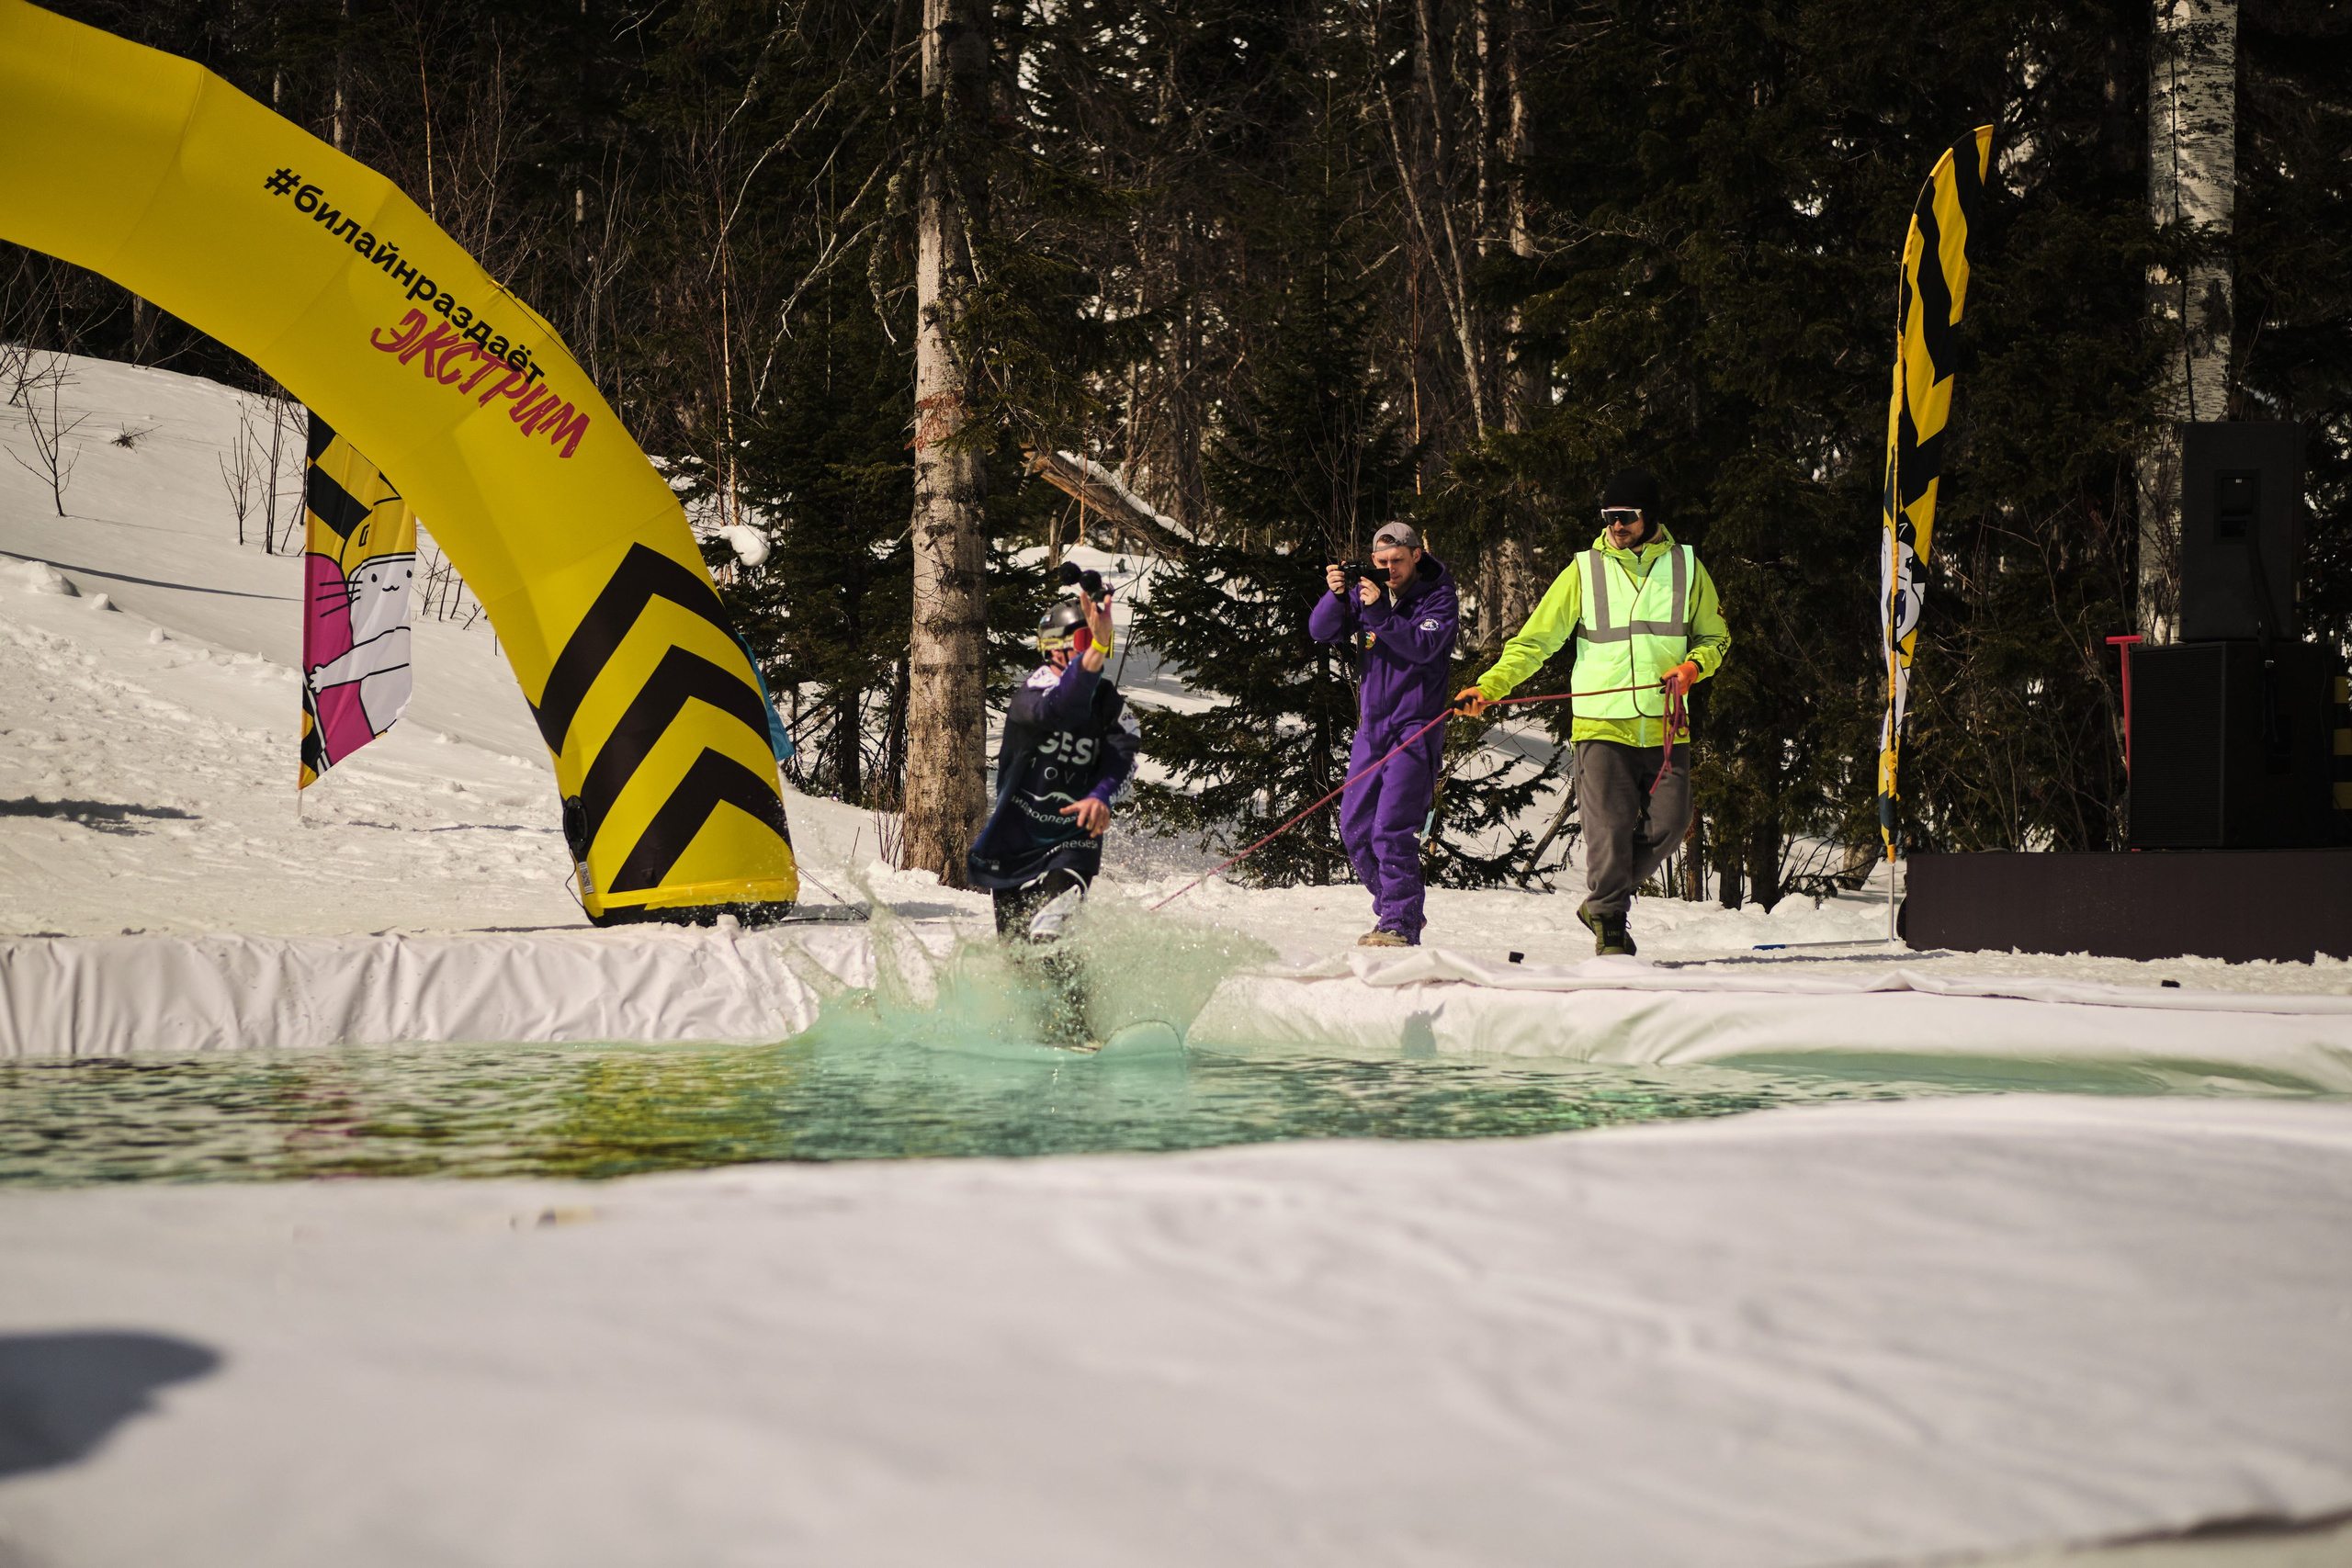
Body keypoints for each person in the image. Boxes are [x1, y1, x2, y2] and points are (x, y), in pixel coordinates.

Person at [1456, 468, 1729, 957]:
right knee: (1607, 830)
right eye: (1608, 517)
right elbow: (1536, 641)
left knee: (1670, 824)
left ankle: (1604, 899)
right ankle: (1608, 923)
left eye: (1625, 516)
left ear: (1650, 517)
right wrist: (1491, 686)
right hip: (1601, 723)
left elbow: (1715, 638)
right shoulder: (1584, 569)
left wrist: (1692, 668)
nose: (1616, 525)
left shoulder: (1687, 567)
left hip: (1667, 724)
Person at [967, 586, 1142, 1034]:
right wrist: (1095, 652)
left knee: (1050, 932)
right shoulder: (1030, 694)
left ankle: (1080, 1030)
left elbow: (1123, 759)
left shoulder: (1112, 706)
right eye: (1083, 646)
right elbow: (1061, 710)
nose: (1093, 656)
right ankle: (1042, 1029)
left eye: (1096, 645)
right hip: (1016, 843)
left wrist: (1101, 795)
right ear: (1056, 651)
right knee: (1022, 961)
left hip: (1072, 841)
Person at [1309, 521, 1460, 947]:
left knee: (1391, 827)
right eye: (1382, 562)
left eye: (1397, 560)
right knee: (1353, 826)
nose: (1390, 569)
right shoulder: (1368, 591)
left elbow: (1423, 647)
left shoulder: (1439, 595)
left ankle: (1399, 921)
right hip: (1371, 728)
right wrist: (1336, 596)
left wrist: (1377, 615)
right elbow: (1322, 631)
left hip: (1416, 726)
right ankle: (1399, 905)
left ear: (1416, 555)